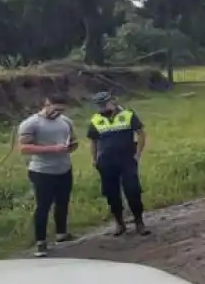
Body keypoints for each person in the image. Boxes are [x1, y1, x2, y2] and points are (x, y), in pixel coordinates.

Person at [18, 93, 79, 257]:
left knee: (63, 202)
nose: (58, 113)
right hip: (42, 171)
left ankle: (61, 233)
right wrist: (52, 149)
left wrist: (71, 146)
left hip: (64, 168)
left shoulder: (66, 121)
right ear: (47, 104)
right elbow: (24, 148)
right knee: (43, 206)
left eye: (62, 110)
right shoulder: (31, 123)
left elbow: (73, 140)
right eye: (56, 109)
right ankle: (40, 241)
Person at [87, 92, 150, 237]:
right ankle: (119, 223)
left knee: (133, 190)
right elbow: (93, 141)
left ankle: (139, 221)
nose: (102, 107)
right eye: (99, 105)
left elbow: (141, 133)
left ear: (113, 101)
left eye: (105, 104)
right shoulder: (96, 120)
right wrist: (94, 159)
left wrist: (138, 153)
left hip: (127, 159)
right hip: (107, 161)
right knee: (111, 193)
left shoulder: (128, 114)